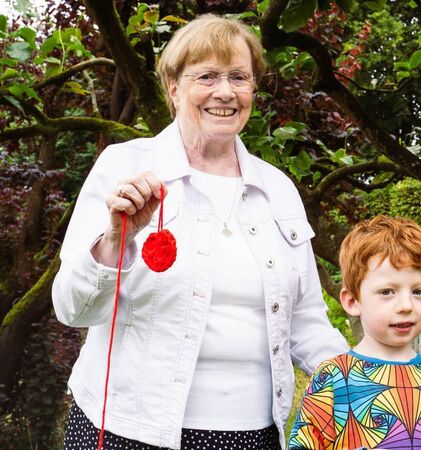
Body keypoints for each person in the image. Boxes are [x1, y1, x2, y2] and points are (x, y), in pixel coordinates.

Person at [52, 15, 348, 450]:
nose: (225, 92)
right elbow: (72, 310)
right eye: (206, 76)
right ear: (173, 87)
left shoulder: (277, 189)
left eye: (239, 77)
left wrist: (365, 381)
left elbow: (305, 321)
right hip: (127, 431)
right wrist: (117, 241)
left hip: (254, 435)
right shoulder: (124, 166)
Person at [288, 216, 421, 449]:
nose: (406, 305)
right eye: (388, 292)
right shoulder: (333, 378)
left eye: (418, 291)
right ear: (352, 301)